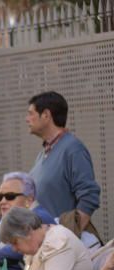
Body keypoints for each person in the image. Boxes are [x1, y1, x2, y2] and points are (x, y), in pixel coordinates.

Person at [26, 91, 101, 236]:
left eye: (31, 113)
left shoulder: (73, 149)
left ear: (46, 115)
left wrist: (67, 236)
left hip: (60, 247)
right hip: (43, 245)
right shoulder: (42, 155)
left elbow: (89, 196)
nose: (26, 119)